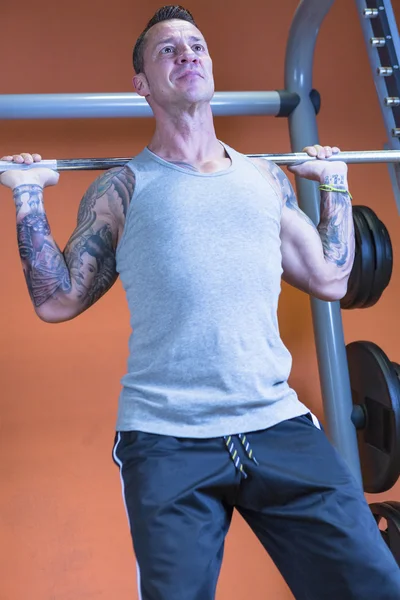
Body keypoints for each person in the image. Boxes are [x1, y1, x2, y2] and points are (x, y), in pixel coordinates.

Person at [1, 5, 399, 599]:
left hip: (276, 425)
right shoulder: (121, 188)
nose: (187, 54)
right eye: (168, 49)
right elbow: (56, 301)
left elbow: (331, 278)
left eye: (197, 45)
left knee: (373, 586)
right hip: (167, 438)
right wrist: (28, 198)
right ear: (141, 84)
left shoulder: (266, 179)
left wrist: (336, 184)